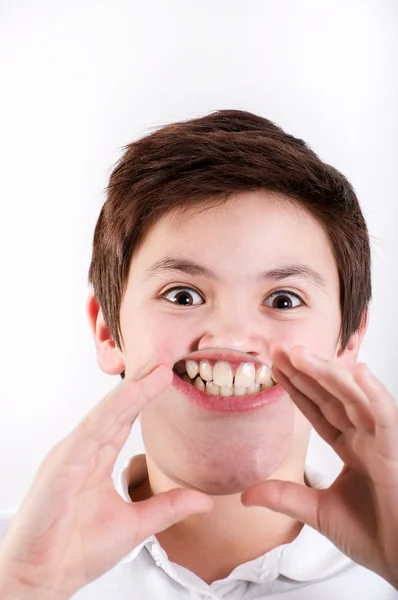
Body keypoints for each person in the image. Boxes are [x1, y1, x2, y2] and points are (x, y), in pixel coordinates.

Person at [0, 110, 397, 600]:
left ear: (348, 342)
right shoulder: (14, 566)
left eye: (283, 300)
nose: (231, 335)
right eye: (183, 295)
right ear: (108, 332)